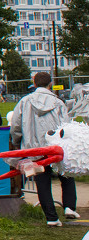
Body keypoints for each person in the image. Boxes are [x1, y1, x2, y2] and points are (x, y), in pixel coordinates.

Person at [12, 71, 78, 226]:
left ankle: (51, 217)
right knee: (66, 175)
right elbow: (66, 126)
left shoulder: (24, 102)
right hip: (55, 147)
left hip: (34, 148)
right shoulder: (59, 103)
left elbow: (15, 124)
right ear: (50, 84)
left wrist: (17, 140)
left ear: (34, 84)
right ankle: (69, 206)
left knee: (42, 181)